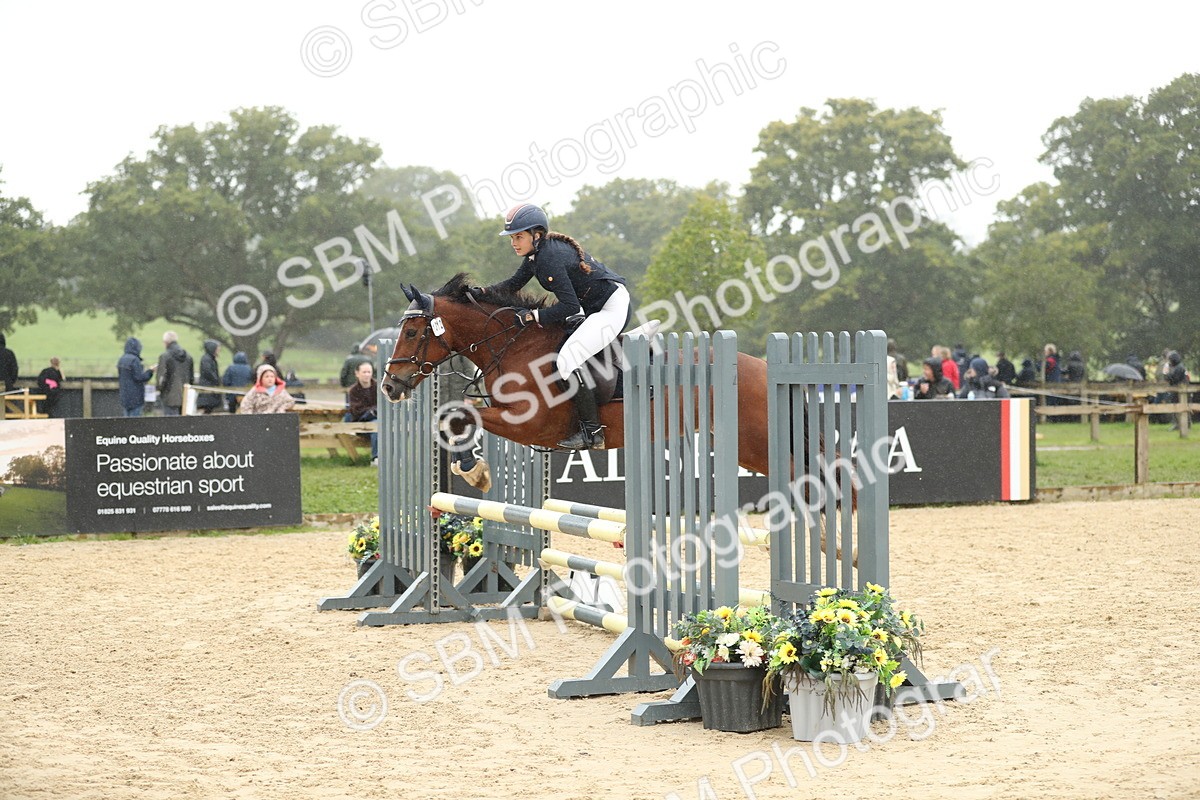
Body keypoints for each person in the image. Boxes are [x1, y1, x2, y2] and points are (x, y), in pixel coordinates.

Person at [475, 203, 630, 450]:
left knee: (566, 361)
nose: (514, 243)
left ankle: (593, 432)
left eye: (518, 237)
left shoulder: (549, 259)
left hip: (610, 309)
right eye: (512, 238)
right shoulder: (537, 254)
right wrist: (483, 292)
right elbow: (514, 284)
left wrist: (532, 317)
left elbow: (569, 307)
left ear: (536, 235)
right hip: (592, 307)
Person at [344, 361, 379, 465]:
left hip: (379, 420)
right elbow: (356, 410)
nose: (367, 375)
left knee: (380, 426)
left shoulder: (379, 387)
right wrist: (371, 411)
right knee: (376, 426)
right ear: (357, 373)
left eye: (369, 372)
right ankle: (376, 458)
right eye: (364, 372)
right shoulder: (353, 390)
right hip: (361, 422)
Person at [156, 331, 194, 416]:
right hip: (185, 396)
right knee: (183, 421)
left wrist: (159, 388)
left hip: (169, 396)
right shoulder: (188, 357)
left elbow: (161, 378)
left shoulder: (165, 356)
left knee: (170, 422)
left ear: (166, 342)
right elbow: (191, 378)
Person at [117, 337, 154, 417]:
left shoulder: (121, 359)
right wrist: (150, 371)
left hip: (124, 396)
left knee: (126, 421)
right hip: (135, 397)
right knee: (135, 421)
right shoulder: (135, 360)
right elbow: (139, 377)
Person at [195, 339, 222, 414]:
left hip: (209, 388)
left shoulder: (210, 359)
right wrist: (216, 379)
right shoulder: (207, 359)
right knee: (205, 408)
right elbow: (208, 372)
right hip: (207, 388)